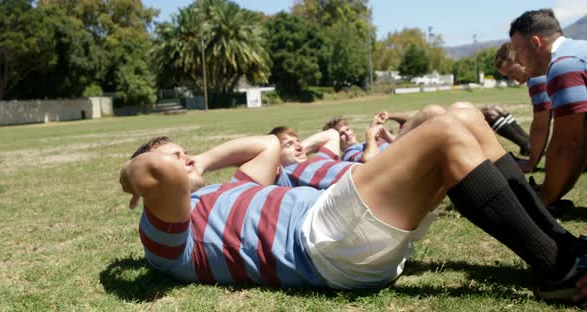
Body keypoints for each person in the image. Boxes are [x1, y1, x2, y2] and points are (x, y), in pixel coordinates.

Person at [120, 107, 587, 302]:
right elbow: (149, 174)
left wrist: (200, 158)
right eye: (173, 154)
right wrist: (137, 170)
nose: (182, 156)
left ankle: (562, 246)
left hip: (342, 230)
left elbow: (265, 145)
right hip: (320, 244)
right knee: (442, 134)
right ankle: (556, 270)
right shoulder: (165, 234)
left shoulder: (220, 193)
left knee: (460, 115)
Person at [509, 8, 587, 206]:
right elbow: (579, 145)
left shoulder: (564, 65)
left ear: (536, 43)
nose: (517, 60)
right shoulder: (575, 51)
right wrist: (552, 194)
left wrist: (544, 198)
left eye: (517, 51)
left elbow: (565, 145)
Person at [494, 41, 552, 171]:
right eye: (506, 75)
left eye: (511, 71)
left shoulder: (537, 79)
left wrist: (531, 164)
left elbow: (541, 126)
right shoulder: (547, 69)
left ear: (521, 60)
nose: (511, 77)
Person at [268, 126, 353, 189]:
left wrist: (299, 148)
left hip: (358, 171)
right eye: (289, 144)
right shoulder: (286, 177)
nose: (299, 146)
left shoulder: (322, 159)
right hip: (354, 182)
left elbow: (332, 134)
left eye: (298, 141)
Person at [322, 111, 399, 163]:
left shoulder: (363, 145)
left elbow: (369, 144)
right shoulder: (348, 155)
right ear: (335, 140)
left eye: (347, 129)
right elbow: (369, 161)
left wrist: (375, 120)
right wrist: (370, 136)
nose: (347, 134)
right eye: (342, 134)